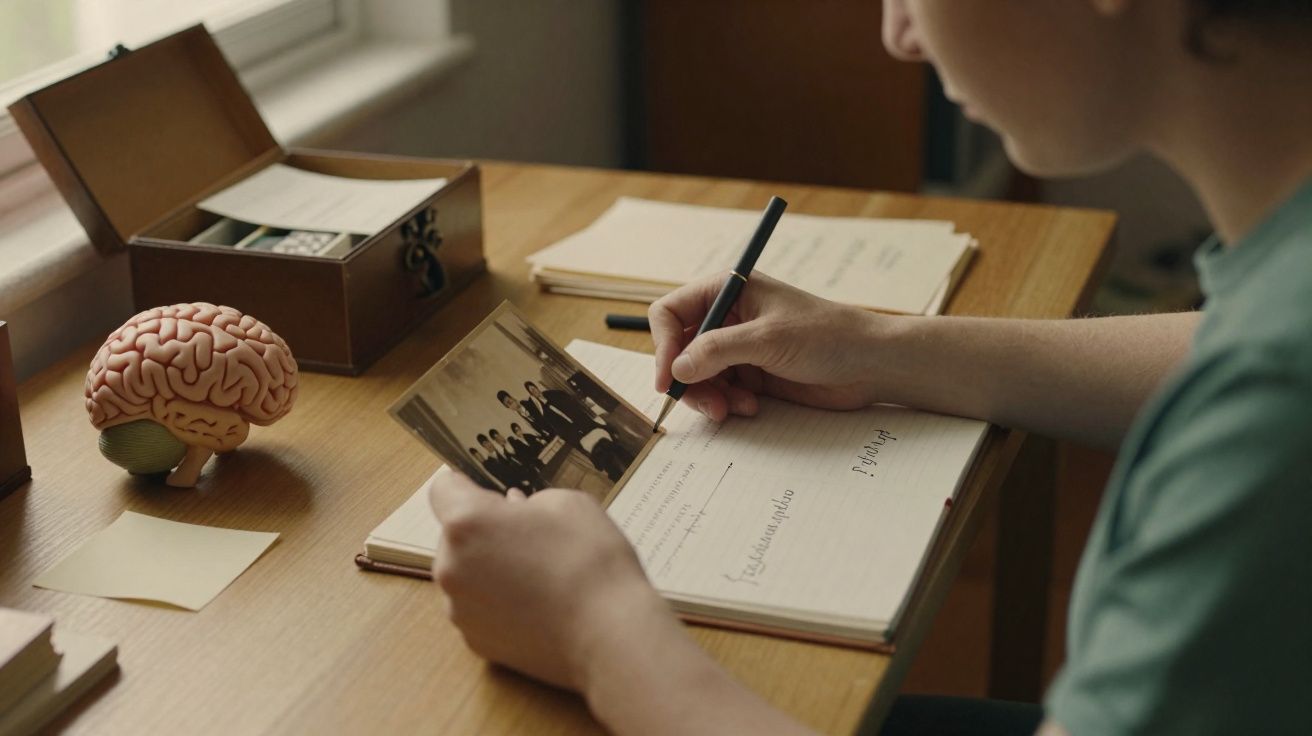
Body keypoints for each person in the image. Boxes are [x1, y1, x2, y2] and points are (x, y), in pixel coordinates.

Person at [427, 2, 1312, 734]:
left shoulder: (1274, 398)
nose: (898, 32)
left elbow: (1257, 385)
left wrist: (594, 629)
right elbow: (1219, 354)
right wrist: (880, 347)